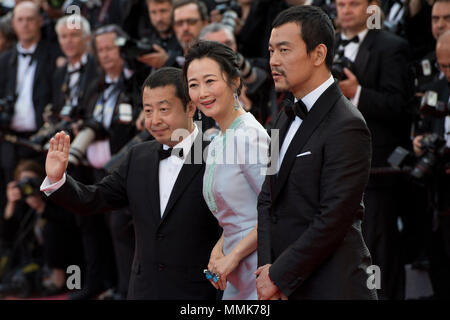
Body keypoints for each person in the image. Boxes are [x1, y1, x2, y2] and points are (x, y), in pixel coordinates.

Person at [40, 67, 221, 300]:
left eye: (164, 109)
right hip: (143, 290)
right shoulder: (138, 157)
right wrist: (57, 180)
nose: (154, 120)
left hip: (198, 294)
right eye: (148, 110)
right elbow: (94, 199)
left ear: (190, 107)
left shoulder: (216, 156)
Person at [256, 5, 376, 300]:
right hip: (283, 283)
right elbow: (267, 198)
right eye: (271, 51)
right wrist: (266, 270)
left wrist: (279, 275)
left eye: (284, 50)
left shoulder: (348, 125)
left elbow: (333, 218)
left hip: (333, 286)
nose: (274, 61)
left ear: (318, 54)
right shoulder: (284, 115)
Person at [335, 0, 414, 300]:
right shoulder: (329, 45)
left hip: (379, 170)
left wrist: (357, 93)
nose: (346, 10)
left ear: (373, 8)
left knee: (379, 252)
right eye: (341, 4)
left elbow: (401, 107)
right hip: (340, 168)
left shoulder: (391, 46)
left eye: (354, 3)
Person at [183, 40, 270, 300]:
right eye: (193, 85)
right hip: (235, 267)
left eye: (210, 81)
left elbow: (275, 210)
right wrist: (220, 248)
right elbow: (237, 213)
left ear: (234, 81)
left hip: (260, 267)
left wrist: (232, 255)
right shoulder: (218, 138)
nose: (202, 93)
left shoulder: (251, 135)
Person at [0, 1, 59, 214]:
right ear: (13, 24)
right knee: (11, 199)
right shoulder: (4, 60)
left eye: (30, 19)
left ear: (40, 21)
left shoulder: (53, 56)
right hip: (10, 142)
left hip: (41, 142)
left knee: (44, 203)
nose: (25, 25)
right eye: (20, 20)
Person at [412, 30, 450, 299]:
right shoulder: (437, 89)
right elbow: (424, 127)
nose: (446, 72)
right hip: (440, 192)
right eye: (442, 66)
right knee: (440, 259)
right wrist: (419, 141)